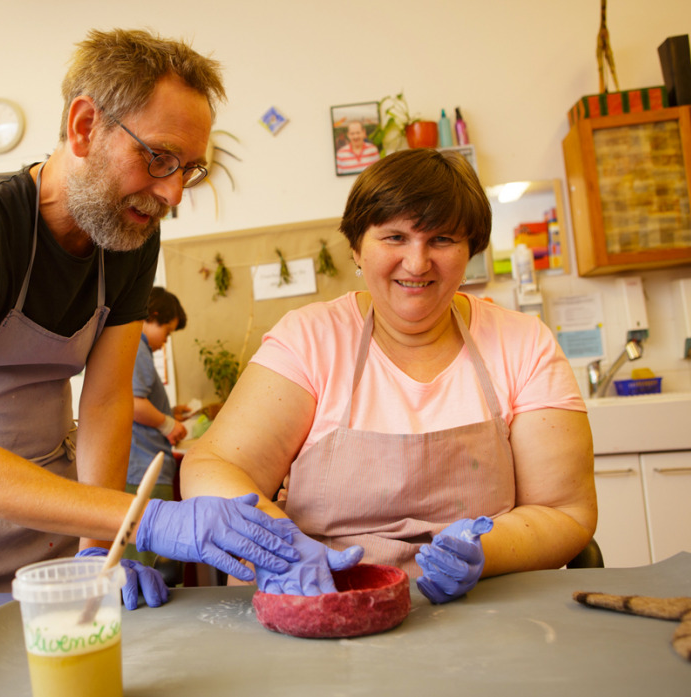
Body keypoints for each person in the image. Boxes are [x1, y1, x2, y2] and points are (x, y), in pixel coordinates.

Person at [0, 28, 299, 603]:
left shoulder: (132, 239)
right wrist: (150, 521)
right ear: (85, 126)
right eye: (158, 157)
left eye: (188, 169)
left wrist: (99, 544)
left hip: (51, 514)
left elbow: (107, 400)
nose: (173, 195)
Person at [179, 148, 597, 603]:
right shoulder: (310, 339)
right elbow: (213, 467)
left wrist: (485, 552)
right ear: (356, 248)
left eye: (442, 239)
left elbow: (565, 510)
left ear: (470, 250)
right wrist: (286, 547)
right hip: (319, 601)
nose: (417, 263)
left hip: (480, 609)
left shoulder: (524, 343)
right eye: (395, 237)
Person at [125, 287, 191, 568]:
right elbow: (134, 405)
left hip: (145, 464)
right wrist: (167, 424)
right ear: (152, 316)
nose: (165, 342)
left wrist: (169, 412)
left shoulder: (138, 351)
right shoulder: (135, 348)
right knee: (147, 561)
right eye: (167, 332)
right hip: (143, 468)